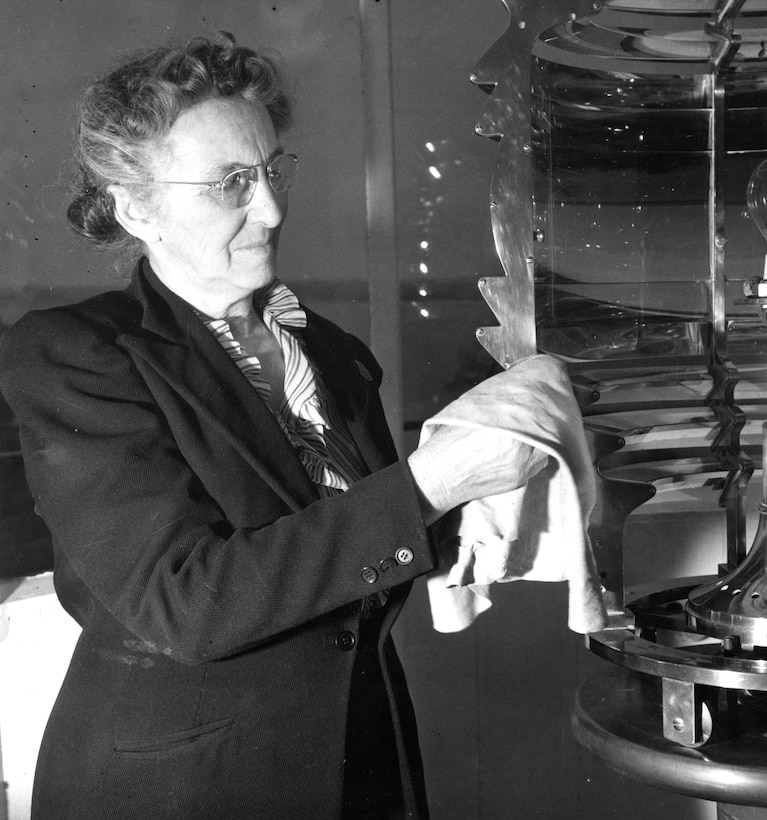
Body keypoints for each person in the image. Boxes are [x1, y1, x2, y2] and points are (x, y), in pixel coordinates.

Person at [0, 33, 547, 819]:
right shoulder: (79, 356)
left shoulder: (331, 353)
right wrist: (432, 483)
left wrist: (503, 490)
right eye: (230, 184)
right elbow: (185, 605)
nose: (273, 209)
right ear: (136, 207)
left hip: (364, 767)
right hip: (185, 789)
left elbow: (352, 548)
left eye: (270, 171)